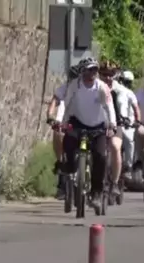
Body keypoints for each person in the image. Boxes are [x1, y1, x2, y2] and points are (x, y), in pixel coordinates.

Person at [56, 57, 117, 210]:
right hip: (78, 123)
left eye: (95, 69)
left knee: (100, 156)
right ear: (83, 71)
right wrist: (60, 121)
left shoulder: (102, 87)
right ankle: (69, 173)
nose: (93, 73)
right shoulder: (74, 85)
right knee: (68, 144)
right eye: (90, 69)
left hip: (98, 127)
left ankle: (96, 193)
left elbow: (109, 106)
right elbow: (65, 103)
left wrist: (112, 125)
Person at [98, 60, 141, 196]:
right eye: (104, 74)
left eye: (111, 74)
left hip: (117, 124)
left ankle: (115, 182)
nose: (108, 78)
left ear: (116, 75)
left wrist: (128, 120)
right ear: (99, 75)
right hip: (97, 124)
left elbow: (129, 108)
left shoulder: (123, 91)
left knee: (116, 147)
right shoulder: (95, 88)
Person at [46, 64, 81, 199]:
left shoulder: (84, 91)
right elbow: (54, 103)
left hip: (81, 123)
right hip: (65, 122)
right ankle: (60, 164)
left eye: (76, 78)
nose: (73, 81)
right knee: (57, 134)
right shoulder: (63, 89)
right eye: (71, 78)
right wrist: (50, 116)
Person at [117, 70, 141, 179]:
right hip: (115, 123)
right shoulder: (114, 91)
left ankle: (128, 166)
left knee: (130, 141)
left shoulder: (130, 93)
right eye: (125, 81)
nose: (126, 84)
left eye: (128, 82)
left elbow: (137, 108)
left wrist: (138, 121)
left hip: (128, 124)